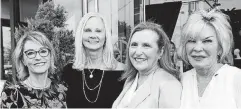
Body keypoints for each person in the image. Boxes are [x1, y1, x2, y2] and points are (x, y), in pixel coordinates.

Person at [179, 9, 241, 108]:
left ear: (221, 47)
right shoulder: (181, 80)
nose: (197, 48)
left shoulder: (236, 78)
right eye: (191, 41)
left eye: (207, 41)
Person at [112, 22, 182, 108]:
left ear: (160, 52)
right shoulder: (130, 80)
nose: (138, 52)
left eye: (146, 45)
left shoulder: (169, 85)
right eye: (134, 45)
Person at [62, 12, 125, 108]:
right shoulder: (68, 72)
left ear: (106, 36)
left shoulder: (123, 73)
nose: (93, 35)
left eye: (98, 31)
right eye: (87, 30)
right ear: (80, 35)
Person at [0, 31, 67, 108]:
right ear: (23, 60)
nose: (38, 57)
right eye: (30, 53)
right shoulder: (11, 94)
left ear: (50, 56)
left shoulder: (63, 89)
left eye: (43, 51)